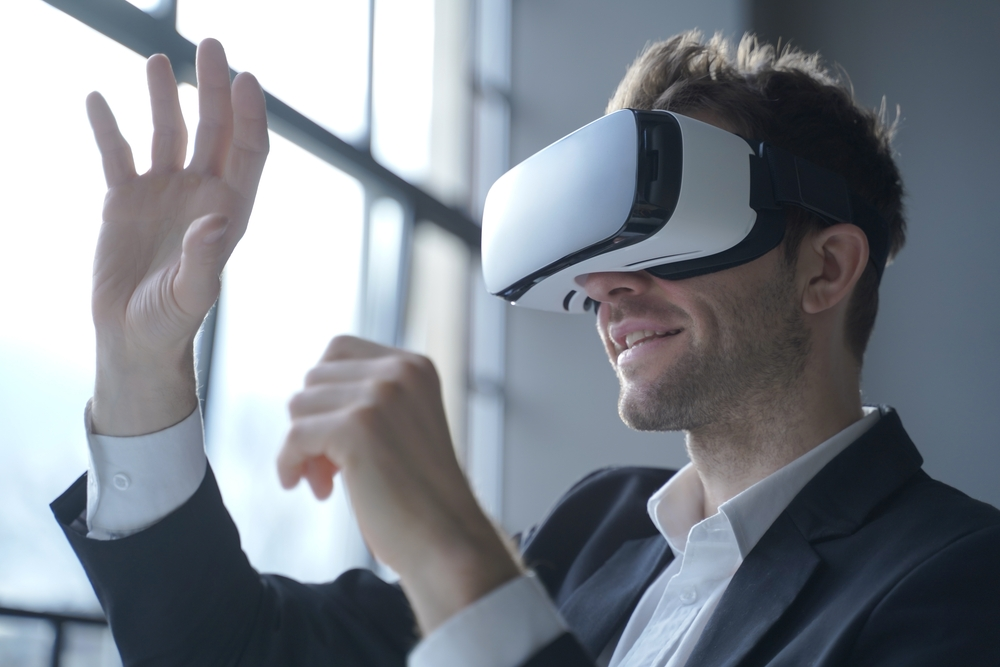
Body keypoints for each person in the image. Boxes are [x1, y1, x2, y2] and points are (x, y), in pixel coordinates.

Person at [51, 30, 1000, 667]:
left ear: (825, 270)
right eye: (594, 250)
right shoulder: (596, 530)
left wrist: (458, 558)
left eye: (664, 228)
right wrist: (139, 362)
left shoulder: (961, 581)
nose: (603, 286)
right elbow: (237, 648)